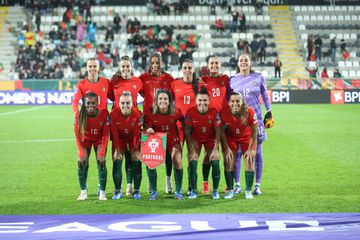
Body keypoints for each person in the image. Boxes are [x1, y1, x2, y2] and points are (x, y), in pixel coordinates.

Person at [229, 54, 273, 195]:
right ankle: (237, 185)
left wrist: (269, 111)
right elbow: (228, 101)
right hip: (238, 122)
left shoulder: (258, 77)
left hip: (257, 120)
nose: (243, 63)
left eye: (246, 60)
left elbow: (265, 95)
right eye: (241, 60)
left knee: (257, 153)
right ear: (238, 63)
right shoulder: (232, 80)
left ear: (250, 63)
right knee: (238, 154)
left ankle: (257, 185)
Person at [108, 56, 143, 196]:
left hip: (133, 121)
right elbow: (110, 97)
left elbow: (147, 95)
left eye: (127, 66)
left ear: (131, 67)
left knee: (132, 156)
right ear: (120, 67)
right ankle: (118, 189)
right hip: (117, 121)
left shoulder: (138, 82)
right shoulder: (114, 81)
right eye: (123, 66)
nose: (125, 69)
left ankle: (130, 186)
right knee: (117, 156)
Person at [140, 53, 174, 193]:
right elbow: (133, 86)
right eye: (152, 63)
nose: (154, 65)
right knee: (149, 152)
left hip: (165, 119)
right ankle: (150, 183)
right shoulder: (143, 78)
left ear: (161, 63)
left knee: (168, 153)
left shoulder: (168, 78)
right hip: (149, 121)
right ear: (149, 63)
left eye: (157, 63)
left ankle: (168, 180)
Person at [144, 89, 184, 200]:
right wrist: (148, 129)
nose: (163, 101)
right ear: (156, 101)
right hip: (156, 142)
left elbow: (184, 123)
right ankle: (154, 191)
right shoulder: (150, 112)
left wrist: (184, 138)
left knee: (177, 159)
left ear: (170, 101)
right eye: (160, 98)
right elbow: (144, 125)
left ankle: (179, 191)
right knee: (150, 160)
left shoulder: (176, 112)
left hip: (172, 140)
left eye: (165, 98)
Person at [184, 86, 222, 199]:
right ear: (196, 101)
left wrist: (216, 149)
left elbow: (218, 131)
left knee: (215, 160)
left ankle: (215, 191)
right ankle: (193, 190)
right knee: (192, 159)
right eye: (200, 100)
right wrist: (191, 148)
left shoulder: (214, 112)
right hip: (196, 139)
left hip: (210, 139)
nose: (202, 103)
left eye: (205, 100)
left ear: (209, 101)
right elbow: (187, 131)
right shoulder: (190, 112)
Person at [200, 55, 230, 194]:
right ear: (208, 65)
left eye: (216, 63)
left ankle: (228, 184)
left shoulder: (225, 79)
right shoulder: (203, 81)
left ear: (220, 65)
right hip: (210, 123)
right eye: (211, 63)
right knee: (207, 154)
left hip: (224, 122)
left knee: (226, 153)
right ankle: (205, 183)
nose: (214, 65)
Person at [220, 92, 258, 199]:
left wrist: (250, 149)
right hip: (231, 137)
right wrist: (226, 148)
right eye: (232, 101)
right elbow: (221, 131)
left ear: (242, 102)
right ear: (229, 102)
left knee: (249, 160)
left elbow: (254, 132)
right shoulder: (223, 112)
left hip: (247, 137)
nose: (235, 103)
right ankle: (231, 191)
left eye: (238, 101)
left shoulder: (249, 112)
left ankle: (248, 191)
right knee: (228, 161)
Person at [74, 92, 110, 201]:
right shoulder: (78, 115)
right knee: (81, 161)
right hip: (86, 140)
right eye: (88, 103)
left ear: (97, 103)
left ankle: (102, 191)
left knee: (101, 160)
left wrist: (103, 152)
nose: (91, 105)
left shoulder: (104, 114)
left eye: (93, 103)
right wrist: (80, 152)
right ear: (84, 103)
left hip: (99, 140)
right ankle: (83, 191)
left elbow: (105, 135)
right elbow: (77, 135)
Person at [110, 92, 143, 200]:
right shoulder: (113, 115)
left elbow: (136, 135)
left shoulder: (138, 114)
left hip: (132, 139)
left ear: (132, 103)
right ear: (118, 104)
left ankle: (137, 191)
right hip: (120, 140)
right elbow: (114, 135)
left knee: (136, 157)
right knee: (117, 157)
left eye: (128, 103)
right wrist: (117, 149)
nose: (125, 105)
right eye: (123, 103)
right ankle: (118, 190)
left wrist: (134, 148)